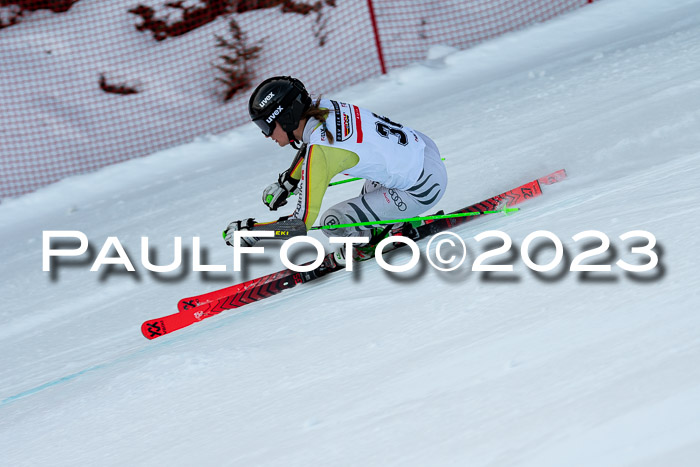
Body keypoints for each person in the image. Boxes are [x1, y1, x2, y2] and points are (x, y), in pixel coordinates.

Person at [224, 76, 447, 264]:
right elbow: (315, 146)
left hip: (422, 189)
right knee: (367, 199)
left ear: (286, 118)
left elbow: (299, 225)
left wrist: (252, 233)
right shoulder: (325, 108)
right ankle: (394, 222)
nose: (266, 135)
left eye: (266, 126)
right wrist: (287, 184)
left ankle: (375, 241)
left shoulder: (321, 151)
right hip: (424, 152)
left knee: (334, 222)